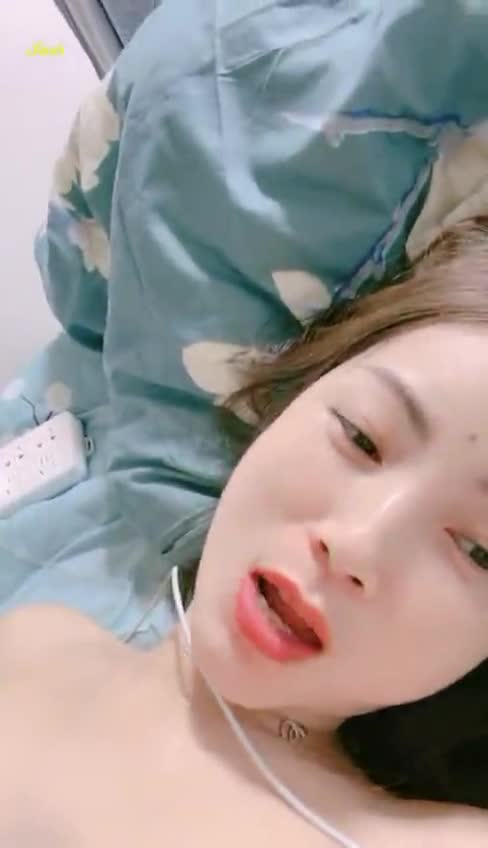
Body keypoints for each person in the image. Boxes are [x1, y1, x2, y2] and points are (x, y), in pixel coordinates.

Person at [0, 217, 487, 847]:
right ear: (288, 402)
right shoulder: (37, 643)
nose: (356, 544)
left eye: (477, 550)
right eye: (361, 437)